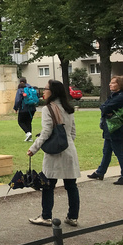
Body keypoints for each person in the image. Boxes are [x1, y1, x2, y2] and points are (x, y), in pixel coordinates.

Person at [27, 80, 80, 226]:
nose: (43, 92)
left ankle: (46, 216)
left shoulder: (48, 109)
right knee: (71, 185)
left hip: (54, 152)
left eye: (45, 89)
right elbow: (73, 131)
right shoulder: (68, 108)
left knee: (48, 185)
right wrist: (67, 141)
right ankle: (73, 216)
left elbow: (46, 131)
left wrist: (33, 148)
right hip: (69, 149)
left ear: (53, 91)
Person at [87, 75, 123, 183]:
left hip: (117, 129)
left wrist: (105, 109)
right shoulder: (113, 96)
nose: (110, 84)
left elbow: (105, 107)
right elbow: (103, 107)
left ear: (119, 85)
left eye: (113, 83)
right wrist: (105, 109)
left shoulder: (120, 97)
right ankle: (100, 172)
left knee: (119, 152)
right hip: (109, 129)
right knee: (106, 151)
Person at [13, 77, 37, 142]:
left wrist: (15, 108)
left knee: (20, 122)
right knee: (28, 122)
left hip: (24, 108)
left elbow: (18, 100)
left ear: (20, 82)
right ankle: (30, 138)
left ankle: (28, 133)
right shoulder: (31, 88)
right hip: (32, 108)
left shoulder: (20, 89)